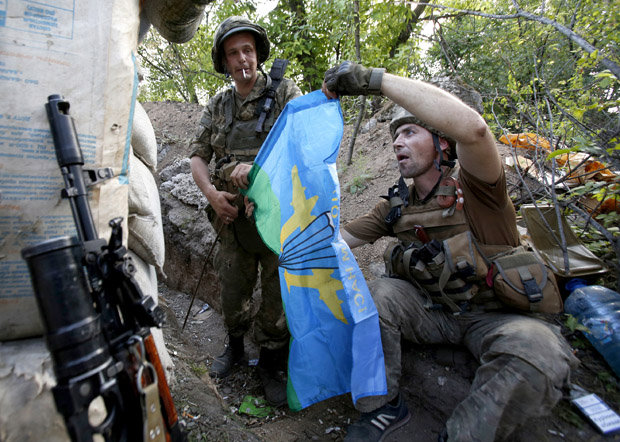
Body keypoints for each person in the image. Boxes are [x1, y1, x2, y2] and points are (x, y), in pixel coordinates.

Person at [322, 62, 579, 442]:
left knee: (539, 353)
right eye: (396, 136)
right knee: (376, 295)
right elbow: (338, 238)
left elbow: (474, 130)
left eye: (410, 132)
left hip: (499, 318)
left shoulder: (478, 189)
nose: (397, 143)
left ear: (442, 143)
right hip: (433, 314)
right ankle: (381, 406)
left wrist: (374, 81)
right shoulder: (395, 205)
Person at [189, 16, 301, 406]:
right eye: (233, 52)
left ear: (258, 53)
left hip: (277, 220)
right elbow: (197, 157)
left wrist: (262, 171)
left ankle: (271, 362)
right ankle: (235, 347)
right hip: (231, 219)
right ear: (224, 60)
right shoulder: (219, 105)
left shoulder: (285, 92)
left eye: (248, 50)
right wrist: (212, 195)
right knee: (232, 290)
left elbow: (303, 148)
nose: (242, 59)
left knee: (276, 298)